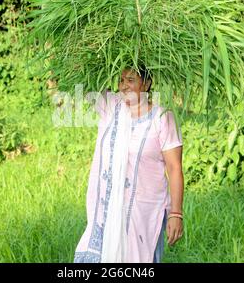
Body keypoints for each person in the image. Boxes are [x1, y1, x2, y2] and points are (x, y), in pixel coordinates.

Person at [74, 64, 184, 263]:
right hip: (106, 209)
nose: (124, 86)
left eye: (131, 80)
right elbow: (84, 75)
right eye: (121, 80)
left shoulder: (162, 117)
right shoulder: (111, 106)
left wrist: (176, 213)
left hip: (143, 211)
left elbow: (175, 168)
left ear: (147, 83)